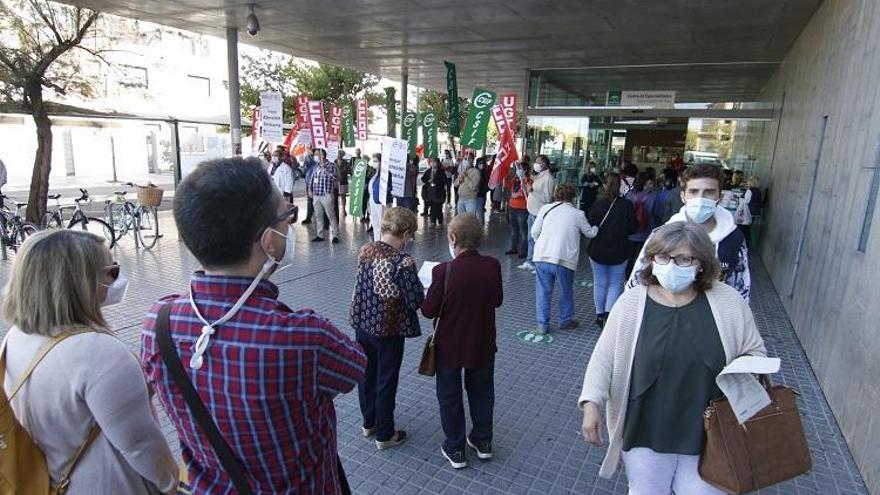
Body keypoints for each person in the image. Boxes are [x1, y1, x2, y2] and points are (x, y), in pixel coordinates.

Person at [142, 157, 366, 494]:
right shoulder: (303, 336)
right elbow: (355, 368)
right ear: (269, 242)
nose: (290, 223)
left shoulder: (157, 324)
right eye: (286, 216)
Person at [579, 222, 767, 494]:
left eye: (683, 259)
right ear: (652, 260)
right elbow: (604, 357)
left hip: (711, 433)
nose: (672, 265)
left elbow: (756, 351)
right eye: (664, 257)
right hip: (645, 428)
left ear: (701, 263)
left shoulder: (728, 301)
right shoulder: (631, 302)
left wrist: (743, 370)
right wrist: (591, 404)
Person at [2, 229, 178, 494]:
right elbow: (141, 446)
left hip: (47, 480)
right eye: (112, 271)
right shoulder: (100, 352)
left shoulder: (15, 337)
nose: (117, 279)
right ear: (80, 282)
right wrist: (171, 483)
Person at [421, 214, 503, 469]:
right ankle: (483, 440)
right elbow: (497, 300)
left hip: (449, 345)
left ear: (453, 238)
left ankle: (455, 447)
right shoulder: (493, 265)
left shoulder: (443, 271)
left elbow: (428, 310)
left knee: (450, 394)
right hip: (482, 341)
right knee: (482, 391)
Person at [350, 207, 423, 451]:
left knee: (366, 373)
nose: (410, 240)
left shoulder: (365, 249)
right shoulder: (402, 262)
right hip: (389, 328)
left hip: (362, 322)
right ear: (405, 233)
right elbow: (414, 302)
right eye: (410, 235)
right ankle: (385, 433)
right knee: (386, 379)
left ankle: (368, 422)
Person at [627, 163, 751, 301]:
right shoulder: (662, 235)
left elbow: (741, 289)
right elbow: (637, 280)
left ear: (719, 197)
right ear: (683, 196)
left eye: (709, 192)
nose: (700, 198)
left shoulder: (733, 238)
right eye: (693, 192)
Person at [531, 185, 598, 334]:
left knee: (543, 291)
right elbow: (590, 234)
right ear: (573, 196)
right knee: (565, 290)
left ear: (556, 194)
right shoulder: (577, 214)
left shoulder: (545, 209)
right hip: (564, 259)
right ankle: (565, 320)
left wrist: (542, 245)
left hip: (542, 257)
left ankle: (542, 325)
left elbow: (534, 231)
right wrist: (596, 228)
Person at [587, 175, 637, 329]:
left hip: (597, 250)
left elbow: (590, 224)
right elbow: (632, 228)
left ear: (605, 186)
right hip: (620, 250)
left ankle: (599, 314)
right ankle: (608, 315)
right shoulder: (627, 205)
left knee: (600, 282)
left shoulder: (598, 204)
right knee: (615, 283)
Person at [520, 154, 556, 273]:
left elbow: (547, 198)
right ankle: (530, 261)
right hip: (532, 212)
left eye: (538, 162)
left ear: (544, 164)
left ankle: (539, 264)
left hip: (539, 213)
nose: (535, 164)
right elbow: (531, 181)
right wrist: (523, 176)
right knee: (531, 238)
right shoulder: (540, 176)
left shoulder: (548, 179)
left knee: (539, 240)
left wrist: (532, 191)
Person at [625, 171, 662, 278]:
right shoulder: (654, 196)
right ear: (644, 183)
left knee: (629, 258)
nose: (652, 186)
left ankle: (627, 278)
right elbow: (658, 214)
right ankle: (639, 279)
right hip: (647, 233)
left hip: (631, 233)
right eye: (650, 183)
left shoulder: (629, 195)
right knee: (643, 259)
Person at [309, 148, 341, 244]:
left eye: (317, 154)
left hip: (327, 194)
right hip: (316, 195)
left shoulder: (331, 165)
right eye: (315, 154)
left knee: (331, 215)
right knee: (318, 216)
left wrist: (325, 170)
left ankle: (335, 235)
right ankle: (320, 235)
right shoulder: (316, 167)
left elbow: (334, 178)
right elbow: (312, 179)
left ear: (322, 155)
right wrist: (309, 190)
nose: (315, 156)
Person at [504, 162, 530, 258]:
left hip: (522, 209)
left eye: (520, 169)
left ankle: (523, 250)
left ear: (525, 170)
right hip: (512, 207)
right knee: (514, 229)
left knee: (523, 230)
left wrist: (514, 195)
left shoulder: (528, 181)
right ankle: (513, 247)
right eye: (517, 168)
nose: (518, 170)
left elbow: (521, 194)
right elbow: (509, 189)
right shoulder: (515, 179)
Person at [368, 153, 393, 242]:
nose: (374, 163)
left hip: (381, 201)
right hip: (373, 199)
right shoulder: (373, 173)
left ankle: (384, 243)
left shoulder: (386, 173)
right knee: (375, 223)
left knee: (382, 223)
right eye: (373, 161)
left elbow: (389, 187)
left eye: (376, 161)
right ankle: (377, 242)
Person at [737, 176, 762, 247]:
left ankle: (743, 244)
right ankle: (747, 244)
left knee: (742, 228)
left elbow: (746, 201)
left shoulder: (750, 190)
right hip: (754, 213)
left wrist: (740, 199)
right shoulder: (758, 191)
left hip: (748, 212)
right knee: (748, 229)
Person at [422, 157, 448, 227]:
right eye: (432, 162)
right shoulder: (428, 171)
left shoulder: (441, 171)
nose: (433, 164)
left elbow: (444, 181)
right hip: (430, 193)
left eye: (435, 162)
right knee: (432, 207)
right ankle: (433, 221)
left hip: (439, 193)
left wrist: (436, 181)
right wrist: (428, 180)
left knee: (438, 208)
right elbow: (423, 179)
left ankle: (440, 221)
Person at [301, 149, 318, 224]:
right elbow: (304, 171)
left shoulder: (320, 159)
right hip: (309, 181)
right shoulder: (308, 157)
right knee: (310, 200)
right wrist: (305, 165)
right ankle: (308, 217)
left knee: (319, 200)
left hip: (318, 183)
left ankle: (323, 219)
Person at [475, 157, 490, 224]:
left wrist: (483, 191)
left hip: (480, 196)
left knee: (480, 212)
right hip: (472, 195)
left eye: (482, 163)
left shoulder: (485, 173)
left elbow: (488, 185)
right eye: (480, 163)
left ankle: (480, 228)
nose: (481, 165)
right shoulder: (474, 172)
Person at [337, 150, 351, 217]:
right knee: (334, 196)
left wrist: (344, 171)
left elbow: (349, 171)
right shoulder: (334, 162)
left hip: (343, 181)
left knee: (343, 196)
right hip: (336, 182)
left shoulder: (345, 162)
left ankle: (343, 209)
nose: (339, 155)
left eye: (341, 154)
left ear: (343, 155)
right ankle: (335, 209)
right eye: (338, 154)